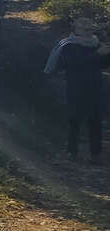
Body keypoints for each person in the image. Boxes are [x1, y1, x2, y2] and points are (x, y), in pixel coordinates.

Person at [44, 15, 110, 162]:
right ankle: (71, 152)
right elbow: (74, 64)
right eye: (84, 27)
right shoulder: (68, 45)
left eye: (89, 27)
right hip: (76, 87)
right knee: (75, 120)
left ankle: (95, 154)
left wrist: (106, 54)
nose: (87, 30)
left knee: (95, 120)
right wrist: (97, 55)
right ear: (76, 29)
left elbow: (104, 65)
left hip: (95, 87)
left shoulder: (96, 44)